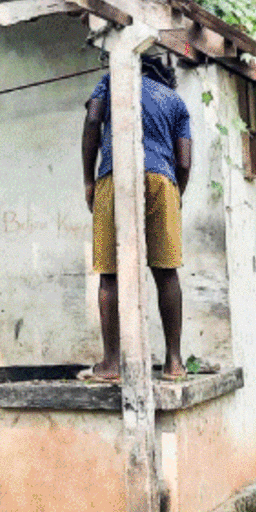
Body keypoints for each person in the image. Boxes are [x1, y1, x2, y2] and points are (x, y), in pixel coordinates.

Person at [81, 55, 193, 381]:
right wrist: (176, 194)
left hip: (114, 175)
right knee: (166, 271)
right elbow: (184, 160)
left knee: (109, 273)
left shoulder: (110, 81)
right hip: (163, 180)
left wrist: (88, 180)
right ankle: (174, 363)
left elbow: (91, 122)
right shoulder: (176, 101)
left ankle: (111, 364)